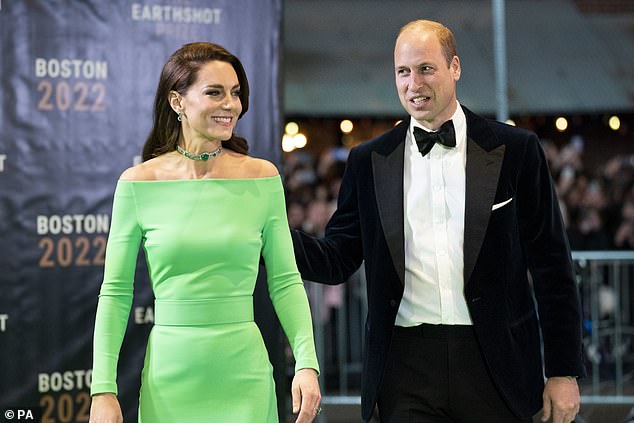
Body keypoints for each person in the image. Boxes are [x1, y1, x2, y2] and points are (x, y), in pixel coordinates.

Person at [291, 20, 585, 423]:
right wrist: (269, 232)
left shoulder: (516, 150)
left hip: (497, 361)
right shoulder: (368, 161)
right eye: (403, 72)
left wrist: (564, 370)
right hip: (405, 364)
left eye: (426, 68)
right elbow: (338, 257)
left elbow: (552, 264)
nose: (414, 83)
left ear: (455, 68)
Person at [89, 42, 321, 423]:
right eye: (214, 92)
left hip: (244, 371)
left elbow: (285, 281)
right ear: (177, 101)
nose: (230, 104)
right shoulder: (137, 184)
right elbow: (115, 293)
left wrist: (307, 363)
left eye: (235, 93)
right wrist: (103, 389)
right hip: (170, 374)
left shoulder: (262, 178)